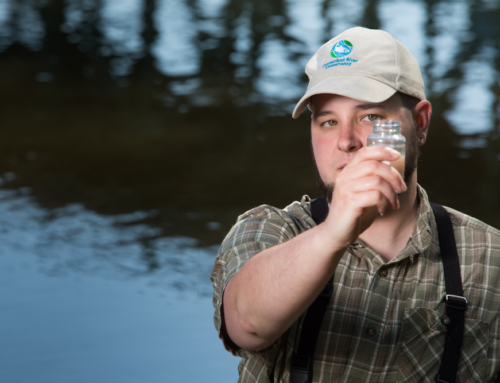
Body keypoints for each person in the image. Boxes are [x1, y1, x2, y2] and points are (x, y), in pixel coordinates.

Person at [211, 27, 500, 383]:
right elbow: (247, 324)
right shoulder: (269, 230)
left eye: (371, 117)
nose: (346, 141)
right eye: (328, 121)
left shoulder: (492, 258)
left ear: (420, 123)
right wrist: (335, 231)